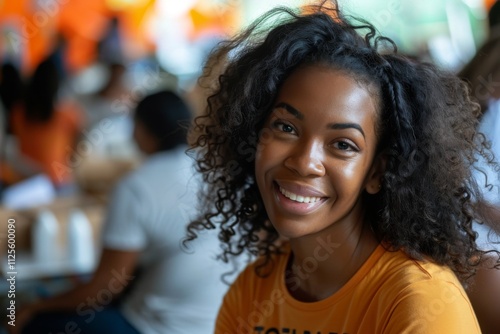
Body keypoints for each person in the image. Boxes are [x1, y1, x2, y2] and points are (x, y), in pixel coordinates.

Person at [184, 1, 499, 333]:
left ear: (377, 172)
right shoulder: (252, 290)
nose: (305, 162)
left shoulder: (419, 303)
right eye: (286, 128)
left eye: (343, 145)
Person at [13, 91, 234, 334]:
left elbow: (105, 287)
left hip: (155, 326)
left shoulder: (137, 186)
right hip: (217, 322)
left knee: (33, 322)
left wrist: (37, 307)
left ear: (141, 129)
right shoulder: (214, 173)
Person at [9, 57, 84, 189]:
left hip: (23, 179)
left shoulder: (18, 112)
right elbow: (80, 144)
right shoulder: (67, 114)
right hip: (56, 181)